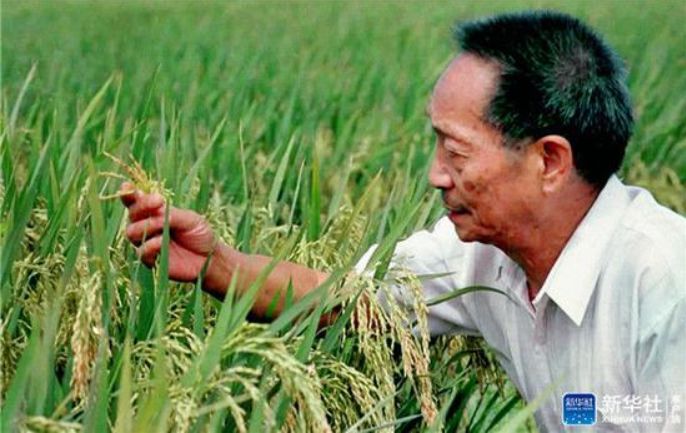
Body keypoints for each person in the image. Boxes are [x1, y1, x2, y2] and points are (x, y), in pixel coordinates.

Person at [120, 11, 685, 433]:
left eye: (456, 153)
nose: (436, 175)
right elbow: (343, 301)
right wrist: (217, 264)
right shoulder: (477, 257)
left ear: (550, 161)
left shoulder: (664, 281)